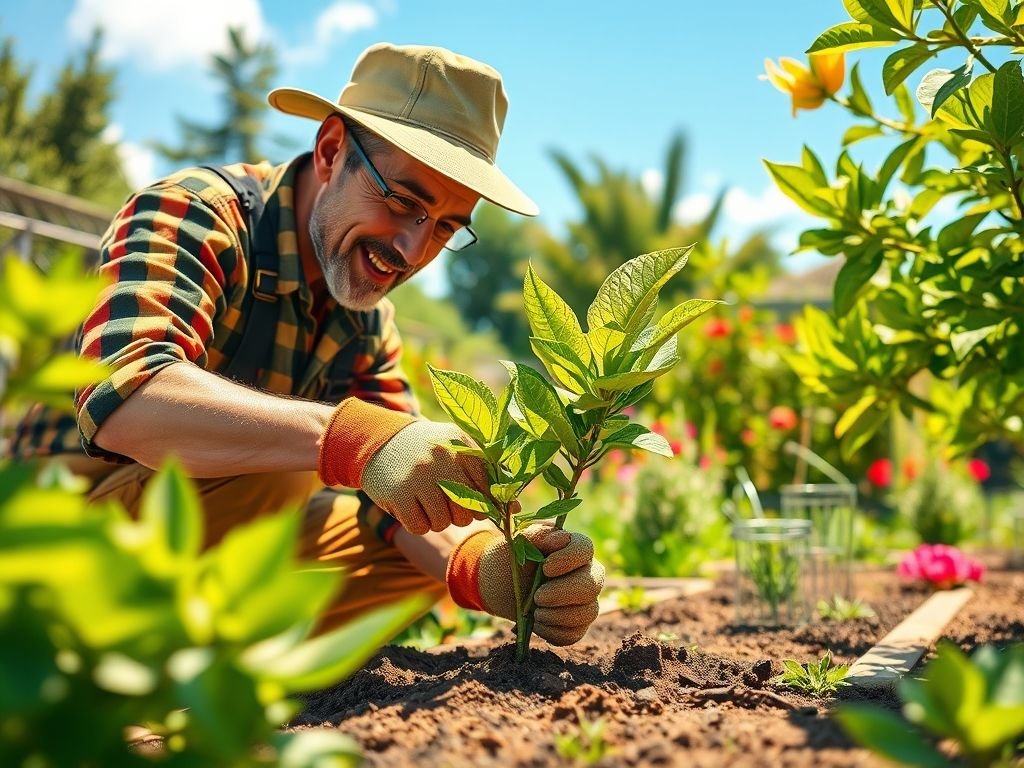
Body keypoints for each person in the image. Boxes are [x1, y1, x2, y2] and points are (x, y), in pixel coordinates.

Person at [11, 42, 604, 646]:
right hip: (58, 532)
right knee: (288, 471)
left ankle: (200, 668)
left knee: (417, 550)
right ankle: (84, 652)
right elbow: (125, 401)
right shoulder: (196, 213)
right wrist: (353, 441)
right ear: (329, 152)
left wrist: (485, 570)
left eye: (446, 227)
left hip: (186, 551)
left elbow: (400, 498)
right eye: (403, 201)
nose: (411, 250)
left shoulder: (367, 322)